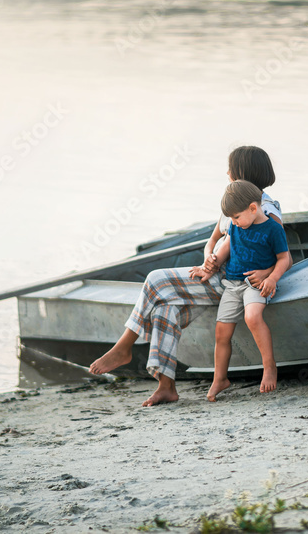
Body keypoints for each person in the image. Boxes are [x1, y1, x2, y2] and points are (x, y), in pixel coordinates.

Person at [89, 146, 291, 406]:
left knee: (155, 280)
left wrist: (266, 274)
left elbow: (279, 251)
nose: (227, 173)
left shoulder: (265, 208)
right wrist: (208, 258)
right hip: (216, 272)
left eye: (231, 169)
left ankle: (124, 346)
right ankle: (166, 386)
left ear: (243, 172)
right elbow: (213, 241)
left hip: (232, 280)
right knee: (165, 309)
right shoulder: (233, 201)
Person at [197, 181, 290, 401]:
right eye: (231, 218)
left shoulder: (273, 229)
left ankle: (269, 367)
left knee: (252, 317)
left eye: (236, 217)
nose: (233, 222)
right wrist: (210, 265)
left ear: (253, 208)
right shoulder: (236, 226)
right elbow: (225, 249)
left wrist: (272, 278)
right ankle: (220, 378)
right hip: (232, 284)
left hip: (255, 285)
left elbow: (284, 259)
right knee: (221, 332)